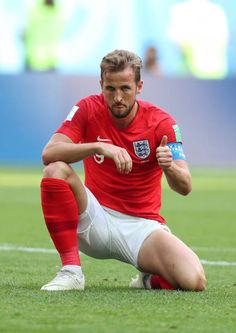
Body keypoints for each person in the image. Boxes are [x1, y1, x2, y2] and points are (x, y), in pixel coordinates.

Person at [40, 49, 206, 292]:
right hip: (94, 217)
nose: (117, 97)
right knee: (55, 170)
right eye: (110, 89)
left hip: (141, 228)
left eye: (125, 89)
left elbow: (185, 186)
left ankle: (148, 280)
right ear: (102, 85)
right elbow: (49, 153)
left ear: (139, 86)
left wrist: (169, 167)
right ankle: (71, 272)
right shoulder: (87, 108)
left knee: (194, 281)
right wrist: (98, 146)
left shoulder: (162, 123)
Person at [168, 0, 229, 79]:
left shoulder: (180, 10)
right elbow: (225, 41)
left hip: (198, 76)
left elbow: (178, 43)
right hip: (215, 76)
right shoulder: (218, 11)